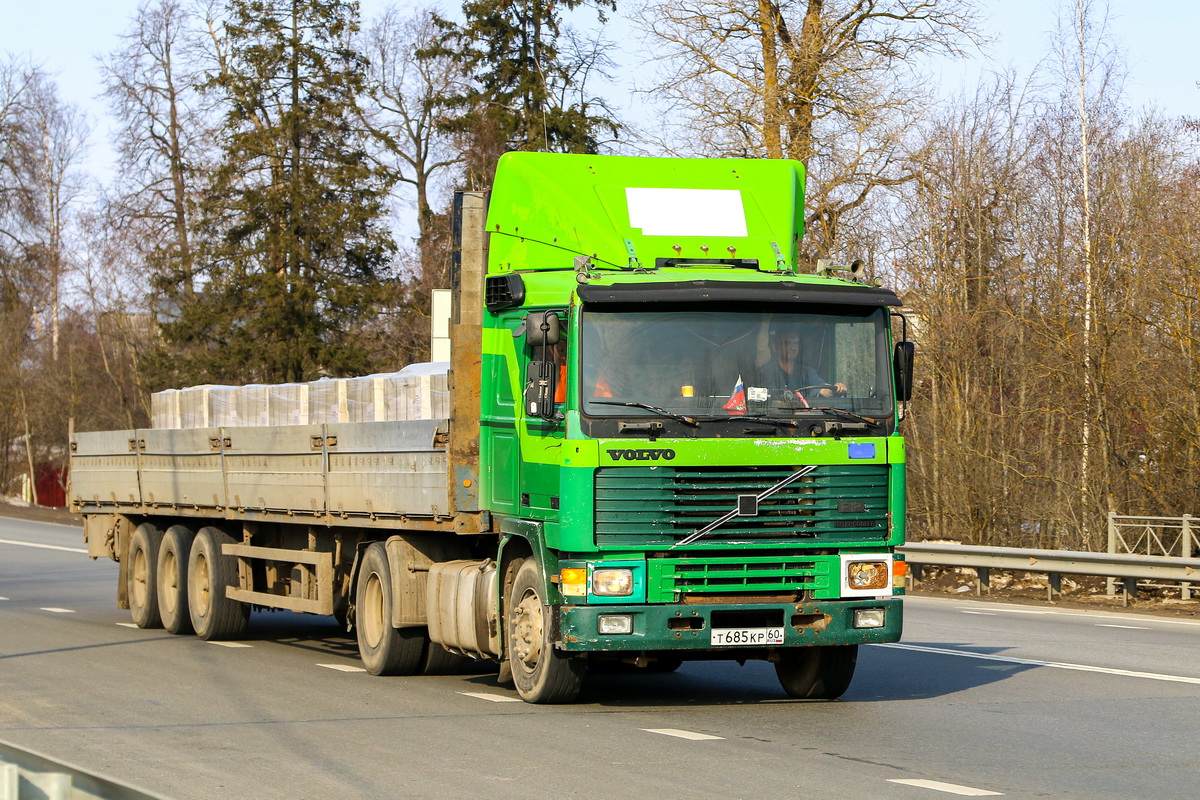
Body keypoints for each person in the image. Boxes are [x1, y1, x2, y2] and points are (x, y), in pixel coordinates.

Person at [760, 328, 846, 402]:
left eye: (795, 343)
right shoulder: (768, 371)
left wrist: (835, 389)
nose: (793, 348)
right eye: (788, 343)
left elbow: (822, 389)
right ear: (775, 347)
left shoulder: (807, 372)